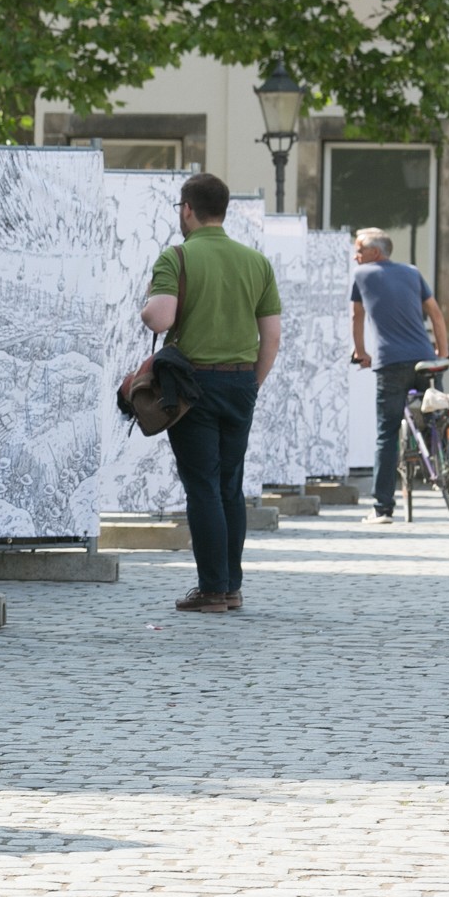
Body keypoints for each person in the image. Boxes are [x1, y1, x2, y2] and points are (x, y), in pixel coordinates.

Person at [140, 173, 281, 614]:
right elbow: (271, 336)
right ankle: (232, 587)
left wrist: (147, 303)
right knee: (230, 485)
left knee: (202, 485)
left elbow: (160, 319)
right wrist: (251, 384)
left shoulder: (177, 257)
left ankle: (212, 589)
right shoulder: (256, 262)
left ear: (187, 209)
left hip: (192, 386)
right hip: (240, 382)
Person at [349, 227, 449, 524]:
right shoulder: (412, 272)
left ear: (375, 252)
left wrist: (361, 352)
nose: (355, 256)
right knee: (438, 416)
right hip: (426, 360)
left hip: (391, 363)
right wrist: (443, 353)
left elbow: (357, 317)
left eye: (359, 250)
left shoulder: (362, 275)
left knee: (387, 433)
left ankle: (382, 509)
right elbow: (436, 314)